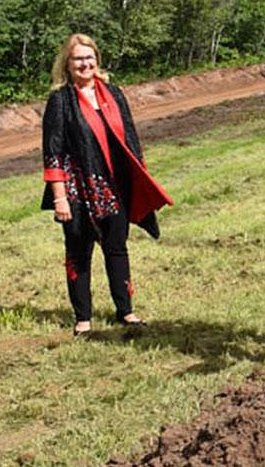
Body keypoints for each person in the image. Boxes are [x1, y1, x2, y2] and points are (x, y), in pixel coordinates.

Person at [41, 33, 172, 337]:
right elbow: (53, 150)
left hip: (112, 188)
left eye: (89, 58)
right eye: (78, 59)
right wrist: (59, 198)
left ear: (97, 61)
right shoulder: (60, 100)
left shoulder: (114, 94)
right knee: (78, 252)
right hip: (76, 190)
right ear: (67, 64)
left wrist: (140, 181)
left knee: (117, 248)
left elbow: (131, 141)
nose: (85, 64)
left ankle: (126, 311)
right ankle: (83, 318)